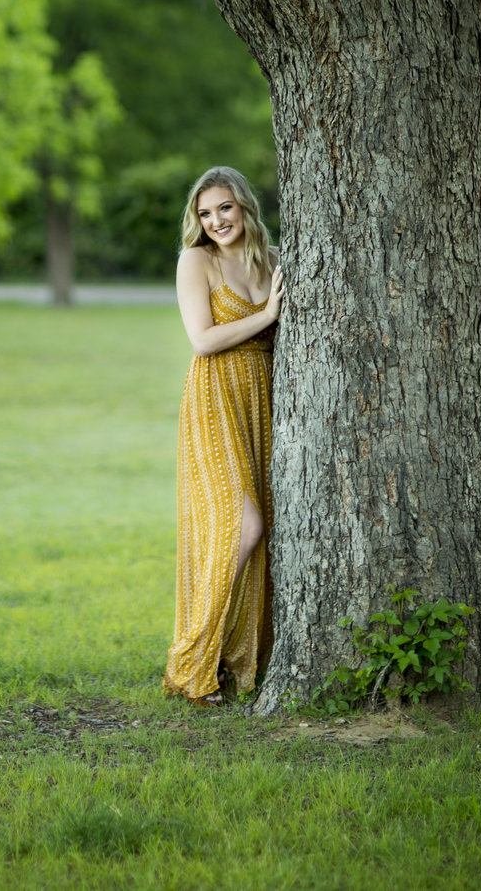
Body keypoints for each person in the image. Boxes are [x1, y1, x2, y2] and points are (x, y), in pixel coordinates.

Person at [163, 166, 285, 705]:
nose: (215, 222)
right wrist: (270, 313)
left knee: (267, 528)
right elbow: (203, 340)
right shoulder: (197, 260)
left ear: (244, 206)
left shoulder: (274, 260)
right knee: (243, 527)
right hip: (215, 399)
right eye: (205, 214)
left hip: (263, 399)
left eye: (224, 209)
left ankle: (237, 662)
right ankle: (189, 663)